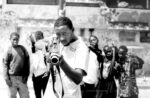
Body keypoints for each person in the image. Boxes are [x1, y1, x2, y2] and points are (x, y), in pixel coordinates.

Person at [45, 17, 89, 98]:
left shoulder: (81, 48)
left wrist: (62, 63)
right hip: (51, 93)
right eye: (58, 34)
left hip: (69, 95)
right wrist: (48, 58)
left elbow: (78, 78)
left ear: (72, 30)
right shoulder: (56, 40)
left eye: (65, 33)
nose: (61, 38)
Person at [3, 32, 30, 98]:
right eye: (14, 39)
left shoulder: (23, 49)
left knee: (25, 96)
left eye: (17, 39)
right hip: (12, 79)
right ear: (10, 39)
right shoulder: (8, 50)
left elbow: (27, 63)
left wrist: (26, 75)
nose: (15, 41)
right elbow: (5, 65)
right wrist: (6, 79)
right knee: (12, 96)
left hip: (22, 78)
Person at [30, 31, 49, 98]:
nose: (37, 37)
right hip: (36, 73)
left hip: (44, 73)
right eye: (36, 36)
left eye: (39, 36)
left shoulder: (45, 45)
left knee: (43, 94)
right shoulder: (34, 46)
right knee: (38, 94)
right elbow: (33, 49)